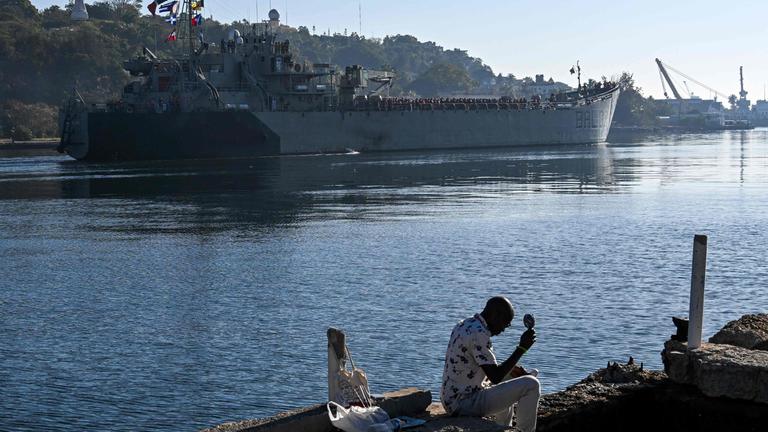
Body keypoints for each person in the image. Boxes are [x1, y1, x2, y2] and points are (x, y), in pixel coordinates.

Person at [441, 296, 539, 432]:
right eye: (506, 322)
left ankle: (502, 427)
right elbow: (496, 377)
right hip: (464, 403)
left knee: (512, 376)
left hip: (452, 398)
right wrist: (521, 348)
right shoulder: (479, 334)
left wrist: (510, 371)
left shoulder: (465, 324)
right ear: (495, 315)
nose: (505, 328)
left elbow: (481, 366)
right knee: (531, 384)